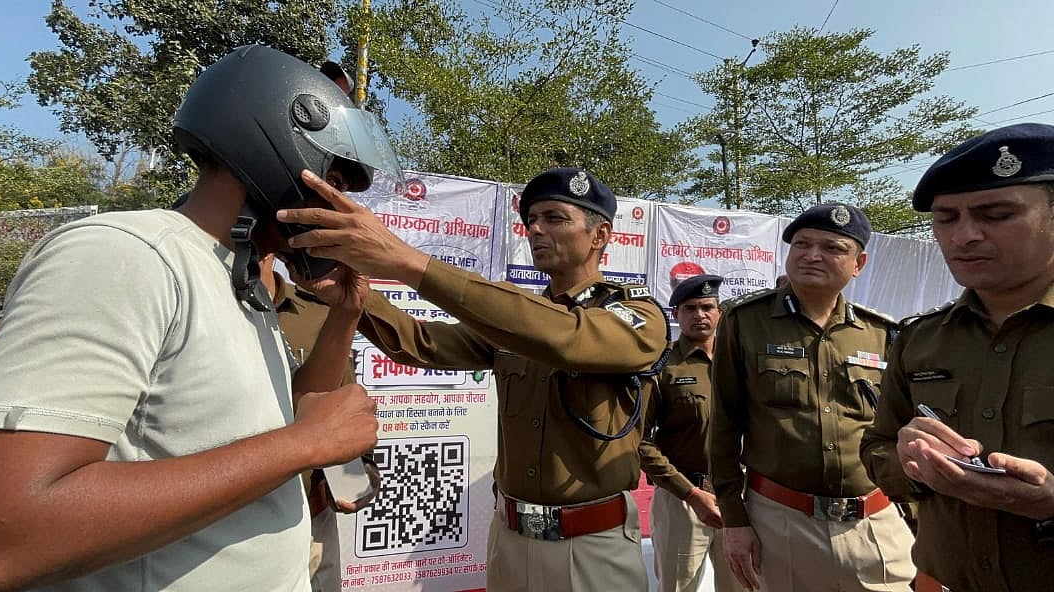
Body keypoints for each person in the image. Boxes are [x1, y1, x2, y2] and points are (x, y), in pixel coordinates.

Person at [0, 45, 390, 591]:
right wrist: (307, 444)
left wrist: (344, 316)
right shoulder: (127, 255)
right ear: (279, 153)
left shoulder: (237, 281)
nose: (343, 206)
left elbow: (268, 431)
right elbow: (1, 539)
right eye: (333, 180)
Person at [278, 166, 670, 592]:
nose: (536, 229)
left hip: (593, 547)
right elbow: (423, 342)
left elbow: (567, 337)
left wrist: (409, 262)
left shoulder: (638, 316)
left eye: (555, 218)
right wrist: (358, 299)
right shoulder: (514, 321)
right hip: (511, 538)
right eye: (531, 220)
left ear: (600, 236)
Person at [860, 123, 1054, 592]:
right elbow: (877, 445)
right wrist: (912, 463)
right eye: (946, 219)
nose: (964, 236)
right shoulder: (919, 339)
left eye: (996, 214)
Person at [710, 203, 916, 592]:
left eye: (833, 248)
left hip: (873, 521)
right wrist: (734, 520)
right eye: (801, 244)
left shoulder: (882, 334)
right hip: (781, 520)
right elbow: (724, 425)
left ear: (859, 263)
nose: (812, 255)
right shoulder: (745, 322)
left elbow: (899, 432)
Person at [257, 253, 380, 592]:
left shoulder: (317, 311)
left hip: (313, 521)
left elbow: (341, 403)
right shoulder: (205, 311)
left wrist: (358, 473)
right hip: (233, 525)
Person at [640, 274, 744, 592]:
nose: (700, 315)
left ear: (719, 313)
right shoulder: (662, 366)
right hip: (682, 500)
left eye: (707, 307)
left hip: (739, 498)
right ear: (676, 315)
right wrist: (690, 494)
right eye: (690, 308)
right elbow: (638, 441)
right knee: (677, 588)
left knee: (745, 585)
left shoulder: (740, 363)